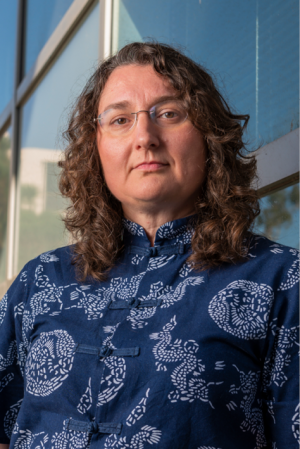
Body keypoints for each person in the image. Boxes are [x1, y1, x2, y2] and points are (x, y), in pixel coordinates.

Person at [0, 42, 298, 449]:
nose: (145, 136)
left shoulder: (280, 280)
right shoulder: (39, 282)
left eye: (169, 113)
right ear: (96, 148)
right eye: (120, 119)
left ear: (209, 136)